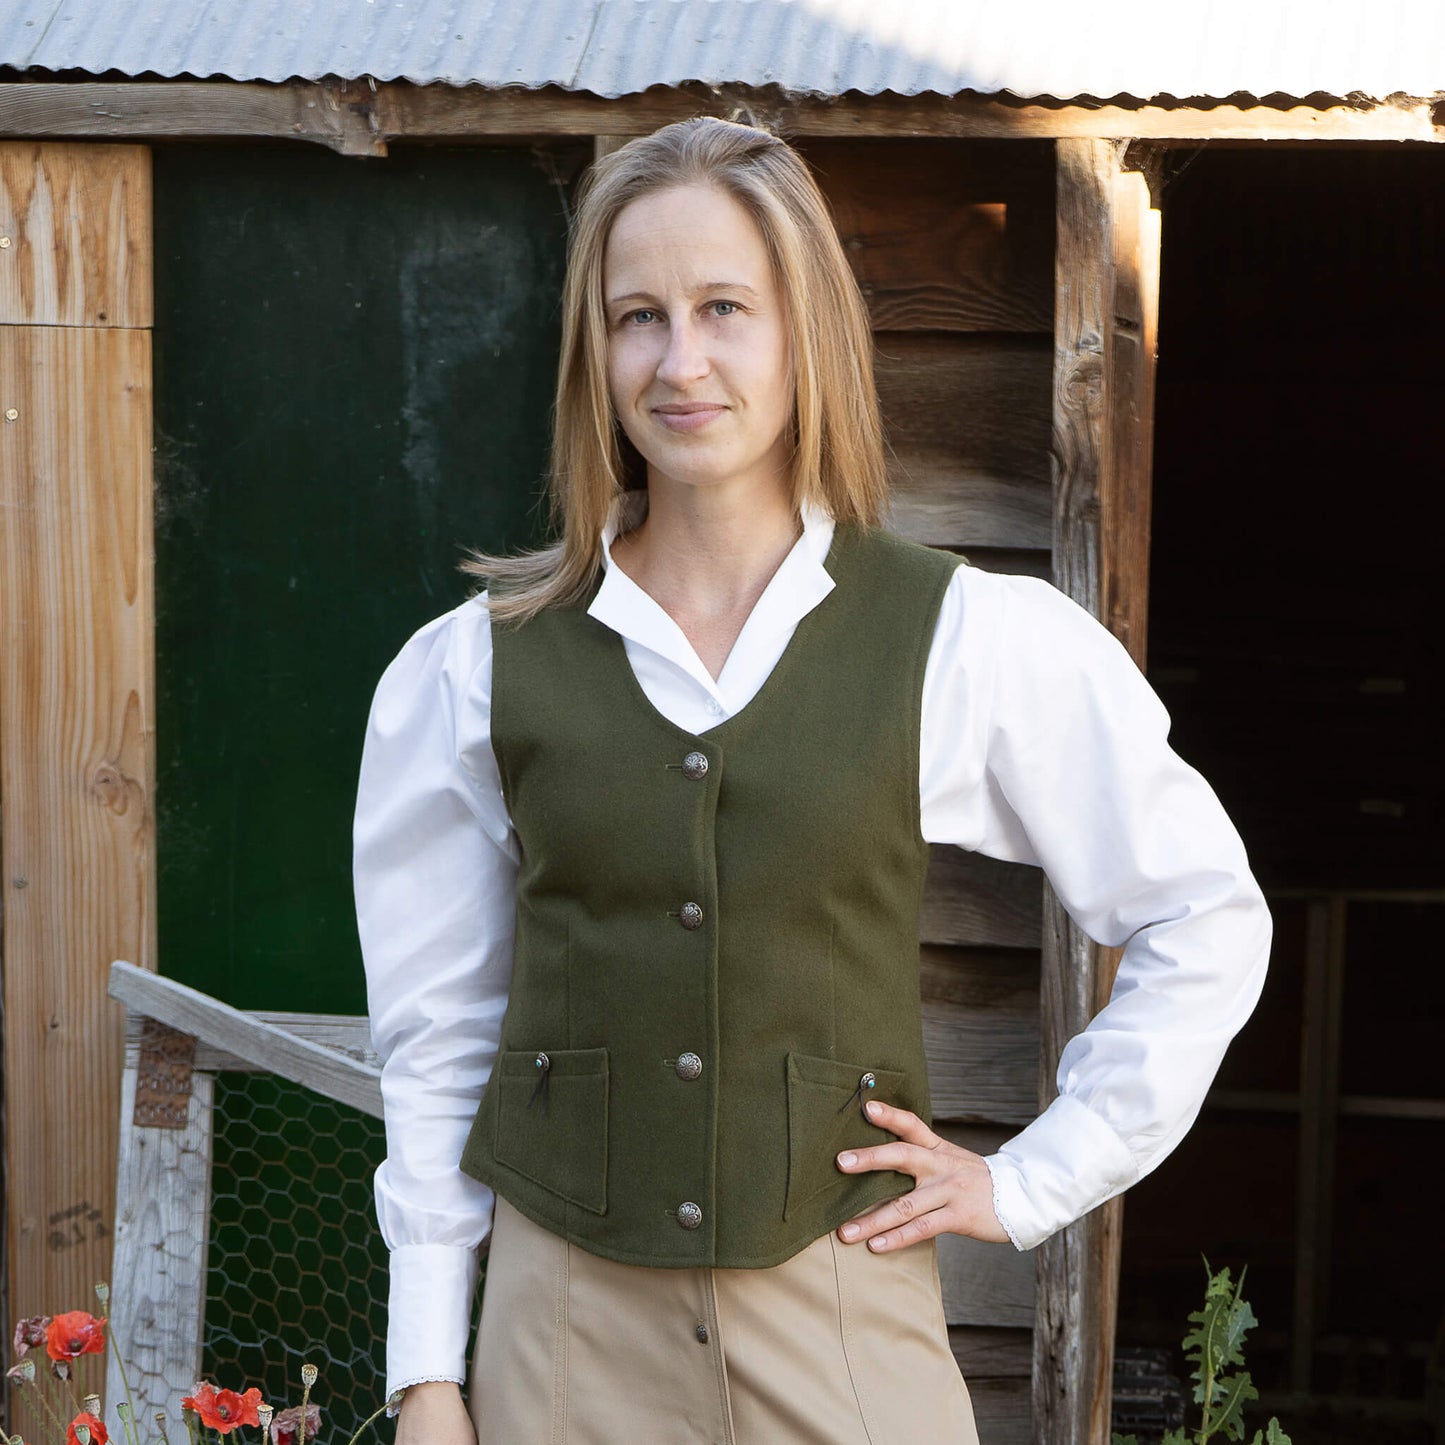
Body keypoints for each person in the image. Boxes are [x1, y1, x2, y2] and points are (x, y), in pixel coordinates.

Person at [354, 116, 1272, 1444]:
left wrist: (1030, 1182)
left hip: (840, 1318)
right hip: (562, 1333)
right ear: (591, 350)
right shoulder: (468, 674)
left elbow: (1203, 911)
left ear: (802, 330)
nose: (680, 362)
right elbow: (437, 1044)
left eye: (724, 307)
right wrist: (427, 1372)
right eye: (637, 317)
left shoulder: (961, 637)